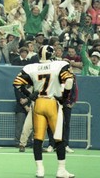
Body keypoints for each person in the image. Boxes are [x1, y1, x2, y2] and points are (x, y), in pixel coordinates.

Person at [13, 45, 75, 178]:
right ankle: (61, 170)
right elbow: (69, 81)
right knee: (59, 138)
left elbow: (17, 83)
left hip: (38, 104)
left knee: (38, 139)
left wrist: (29, 95)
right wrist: (64, 98)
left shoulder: (32, 67)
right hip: (52, 103)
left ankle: (40, 170)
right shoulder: (58, 65)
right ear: (51, 55)